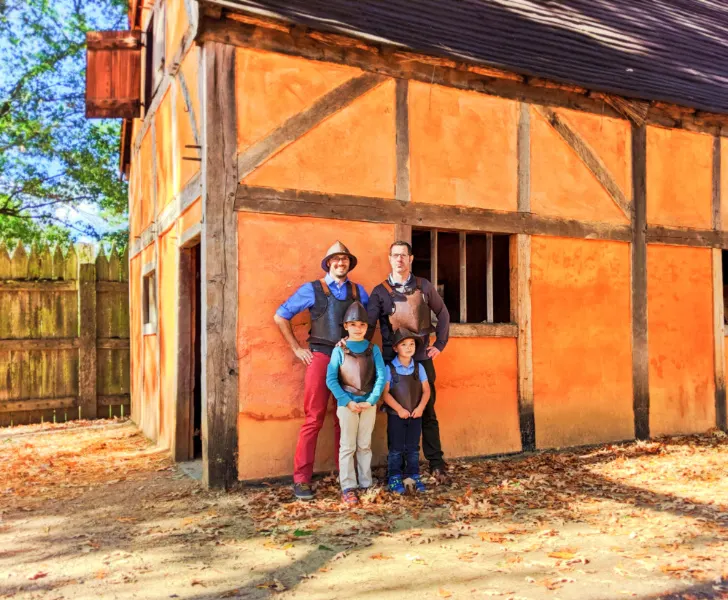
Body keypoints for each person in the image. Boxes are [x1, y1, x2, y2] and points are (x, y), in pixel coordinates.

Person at [273, 241, 369, 501]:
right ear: (328, 263)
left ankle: (345, 476)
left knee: (345, 419)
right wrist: (296, 348)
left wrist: (355, 343)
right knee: (313, 418)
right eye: (336, 259)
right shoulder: (313, 289)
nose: (341, 263)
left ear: (349, 263)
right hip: (321, 356)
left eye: (345, 259)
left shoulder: (358, 291)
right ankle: (302, 479)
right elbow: (281, 316)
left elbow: (369, 322)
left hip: (349, 361)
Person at [367, 240, 450, 483]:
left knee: (427, 411)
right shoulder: (380, 291)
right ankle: (399, 469)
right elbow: (368, 324)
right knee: (395, 413)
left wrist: (440, 344)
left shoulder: (423, 286)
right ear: (389, 258)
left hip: (422, 357)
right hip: (392, 361)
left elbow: (442, 312)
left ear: (411, 259)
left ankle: (436, 463)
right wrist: (350, 346)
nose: (399, 259)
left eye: (404, 255)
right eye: (395, 255)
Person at [325, 301, 386, 506]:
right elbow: (331, 379)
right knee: (348, 446)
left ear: (367, 327)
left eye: (361, 325)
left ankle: (366, 482)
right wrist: (346, 401)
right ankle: (348, 486)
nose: (357, 328)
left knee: (364, 445)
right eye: (353, 324)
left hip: (368, 402)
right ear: (346, 326)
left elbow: (380, 376)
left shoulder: (372, 349)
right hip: (347, 404)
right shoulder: (339, 350)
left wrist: (371, 400)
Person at [382, 328, 431, 494]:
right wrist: (399, 409)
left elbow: (426, 390)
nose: (409, 347)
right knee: (396, 447)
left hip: (415, 414)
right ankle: (394, 476)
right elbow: (385, 393)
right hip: (397, 415)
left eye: (412, 344)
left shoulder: (419, 368)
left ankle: (413, 474)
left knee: (413, 447)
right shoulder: (390, 369)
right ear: (396, 348)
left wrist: (420, 408)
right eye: (404, 344)